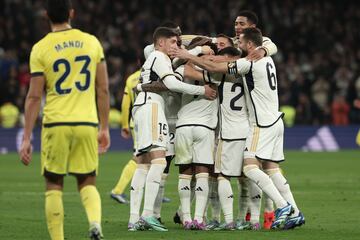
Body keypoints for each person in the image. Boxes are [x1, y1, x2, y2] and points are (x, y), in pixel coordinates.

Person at [173, 27, 305, 230]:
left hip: (260, 124)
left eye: (241, 43)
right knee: (271, 169)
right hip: (276, 121)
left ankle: (282, 207)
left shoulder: (249, 64)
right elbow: (224, 62)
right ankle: (294, 212)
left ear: (251, 45)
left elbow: (217, 69)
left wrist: (187, 54)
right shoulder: (267, 59)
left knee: (249, 168)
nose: (239, 45)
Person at [19, 0, 110, 239]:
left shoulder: (41, 48)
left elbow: (34, 96)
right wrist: (104, 128)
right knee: (87, 180)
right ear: (71, 13)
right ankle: (94, 223)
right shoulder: (92, 42)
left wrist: (27, 137)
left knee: (54, 185)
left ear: (46, 15)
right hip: (87, 122)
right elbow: (103, 90)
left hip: (56, 123)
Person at [128, 27, 216, 232]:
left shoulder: (160, 59)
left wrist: (196, 50)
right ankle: (148, 214)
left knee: (143, 164)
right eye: (174, 43)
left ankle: (134, 218)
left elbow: (175, 65)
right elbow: (172, 83)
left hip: (142, 105)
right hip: (151, 107)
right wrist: (201, 89)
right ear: (161, 43)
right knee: (159, 161)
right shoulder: (159, 56)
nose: (177, 46)